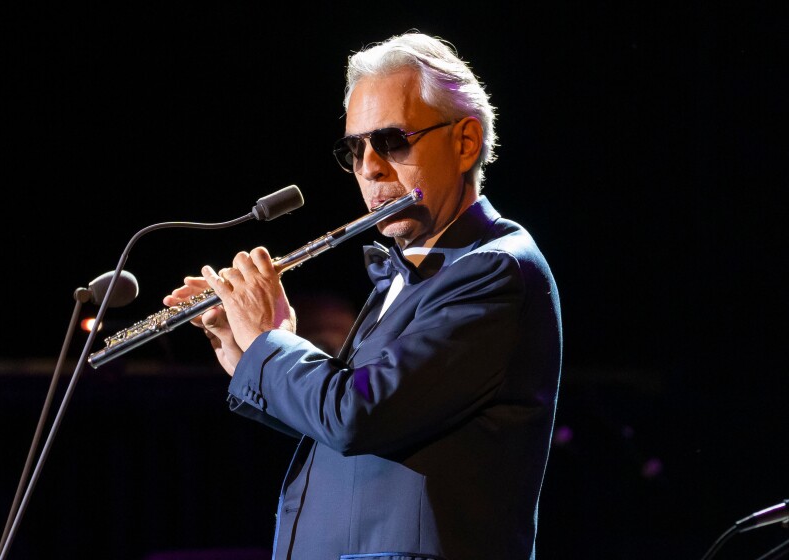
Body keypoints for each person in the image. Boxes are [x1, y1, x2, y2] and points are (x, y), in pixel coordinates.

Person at [164, 31, 562, 560]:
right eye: (355, 149)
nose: (370, 167)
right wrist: (244, 351)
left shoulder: (494, 270)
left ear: (465, 142)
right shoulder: (411, 270)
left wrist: (269, 343)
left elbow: (356, 416)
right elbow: (347, 424)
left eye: (392, 140)